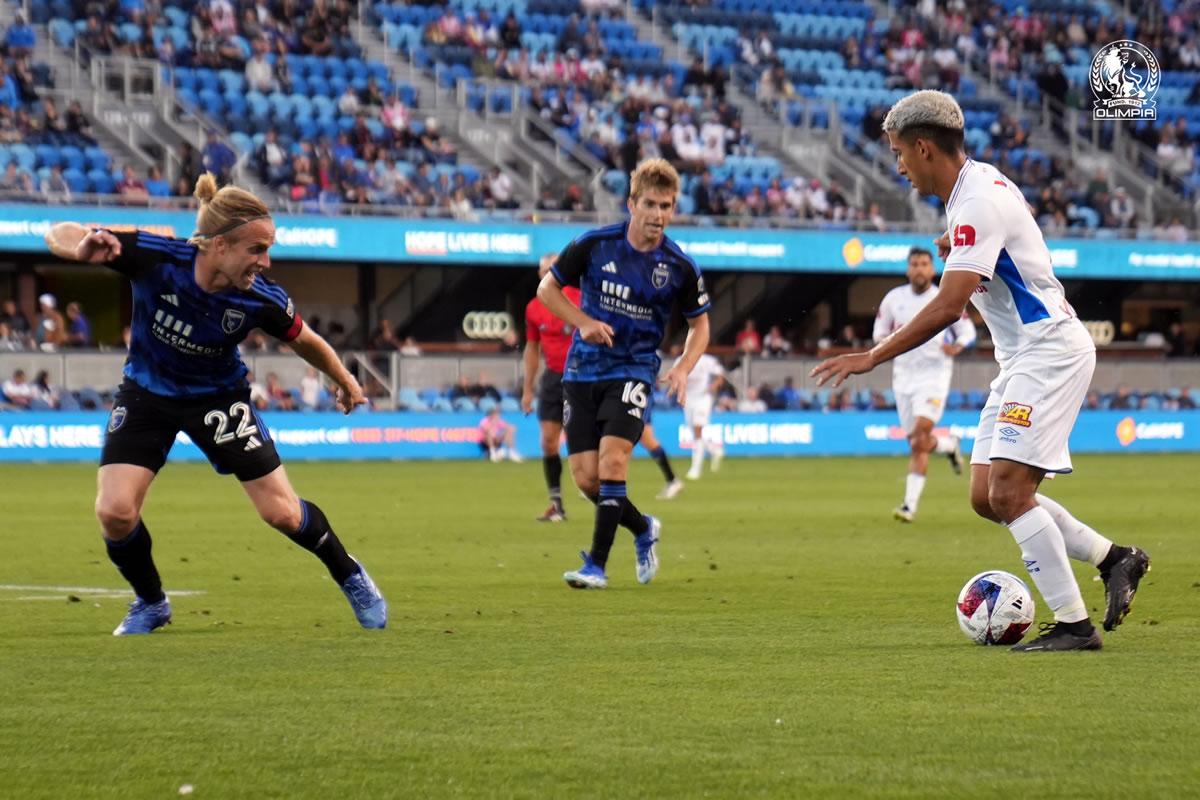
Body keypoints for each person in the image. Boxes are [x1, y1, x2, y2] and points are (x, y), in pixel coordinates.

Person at [811, 90, 1149, 652]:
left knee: (1011, 492)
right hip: (1020, 357)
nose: (896, 165)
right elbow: (1008, 235)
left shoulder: (975, 203)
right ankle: (1116, 559)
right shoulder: (976, 187)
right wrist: (960, 243)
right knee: (984, 496)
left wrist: (870, 357)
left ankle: (1074, 626)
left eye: (898, 153)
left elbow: (948, 307)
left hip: (1049, 351)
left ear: (924, 148)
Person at [43, 172, 387, 636]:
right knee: (115, 512)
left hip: (218, 399)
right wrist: (81, 247)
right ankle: (150, 602)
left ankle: (349, 573)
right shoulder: (155, 256)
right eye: (256, 249)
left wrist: (343, 377)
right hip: (147, 393)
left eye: (268, 249)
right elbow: (58, 232)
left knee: (282, 513)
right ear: (219, 245)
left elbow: (304, 340)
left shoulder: (261, 299)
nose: (265, 261)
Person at [537, 158, 710, 589]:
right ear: (631, 203)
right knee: (587, 479)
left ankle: (595, 565)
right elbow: (547, 290)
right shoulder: (596, 244)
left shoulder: (679, 266)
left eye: (666, 206)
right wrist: (583, 323)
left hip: (634, 370)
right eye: (650, 204)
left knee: (614, 463)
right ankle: (643, 527)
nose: (658, 215)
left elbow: (700, 324)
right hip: (582, 371)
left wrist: (684, 367)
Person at [873, 246, 976, 523]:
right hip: (903, 377)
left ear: (932, 269)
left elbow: (968, 331)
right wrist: (890, 340)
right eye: (914, 264)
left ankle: (909, 506)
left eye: (924, 264)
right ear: (908, 269)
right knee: (916, 442)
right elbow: (879, 334)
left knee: (919, 438)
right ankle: (947, 445)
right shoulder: (893, 300)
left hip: (934, 376)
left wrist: (957, 346)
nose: (919, 269)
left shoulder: (944, 297)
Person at [521, 253, 581, 522]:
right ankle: (556, 504)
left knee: (584, 443)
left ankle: (603, 494)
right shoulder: (534, 307)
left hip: (581, 376)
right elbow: (532, 349)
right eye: (543, 270)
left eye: (552, 270)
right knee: (548, 441)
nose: (547, 274)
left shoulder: (580, 298)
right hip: (553, 378)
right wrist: (527, 389)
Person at [678, 350, 725, 480]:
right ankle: (714, 450)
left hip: (703, 399)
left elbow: (720, 374)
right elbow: (676, 376)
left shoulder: (707, 360)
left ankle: (695, 469)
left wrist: (714, 385)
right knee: (694, 434)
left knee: (698, 430)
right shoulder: (680, 360)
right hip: (688, 399)